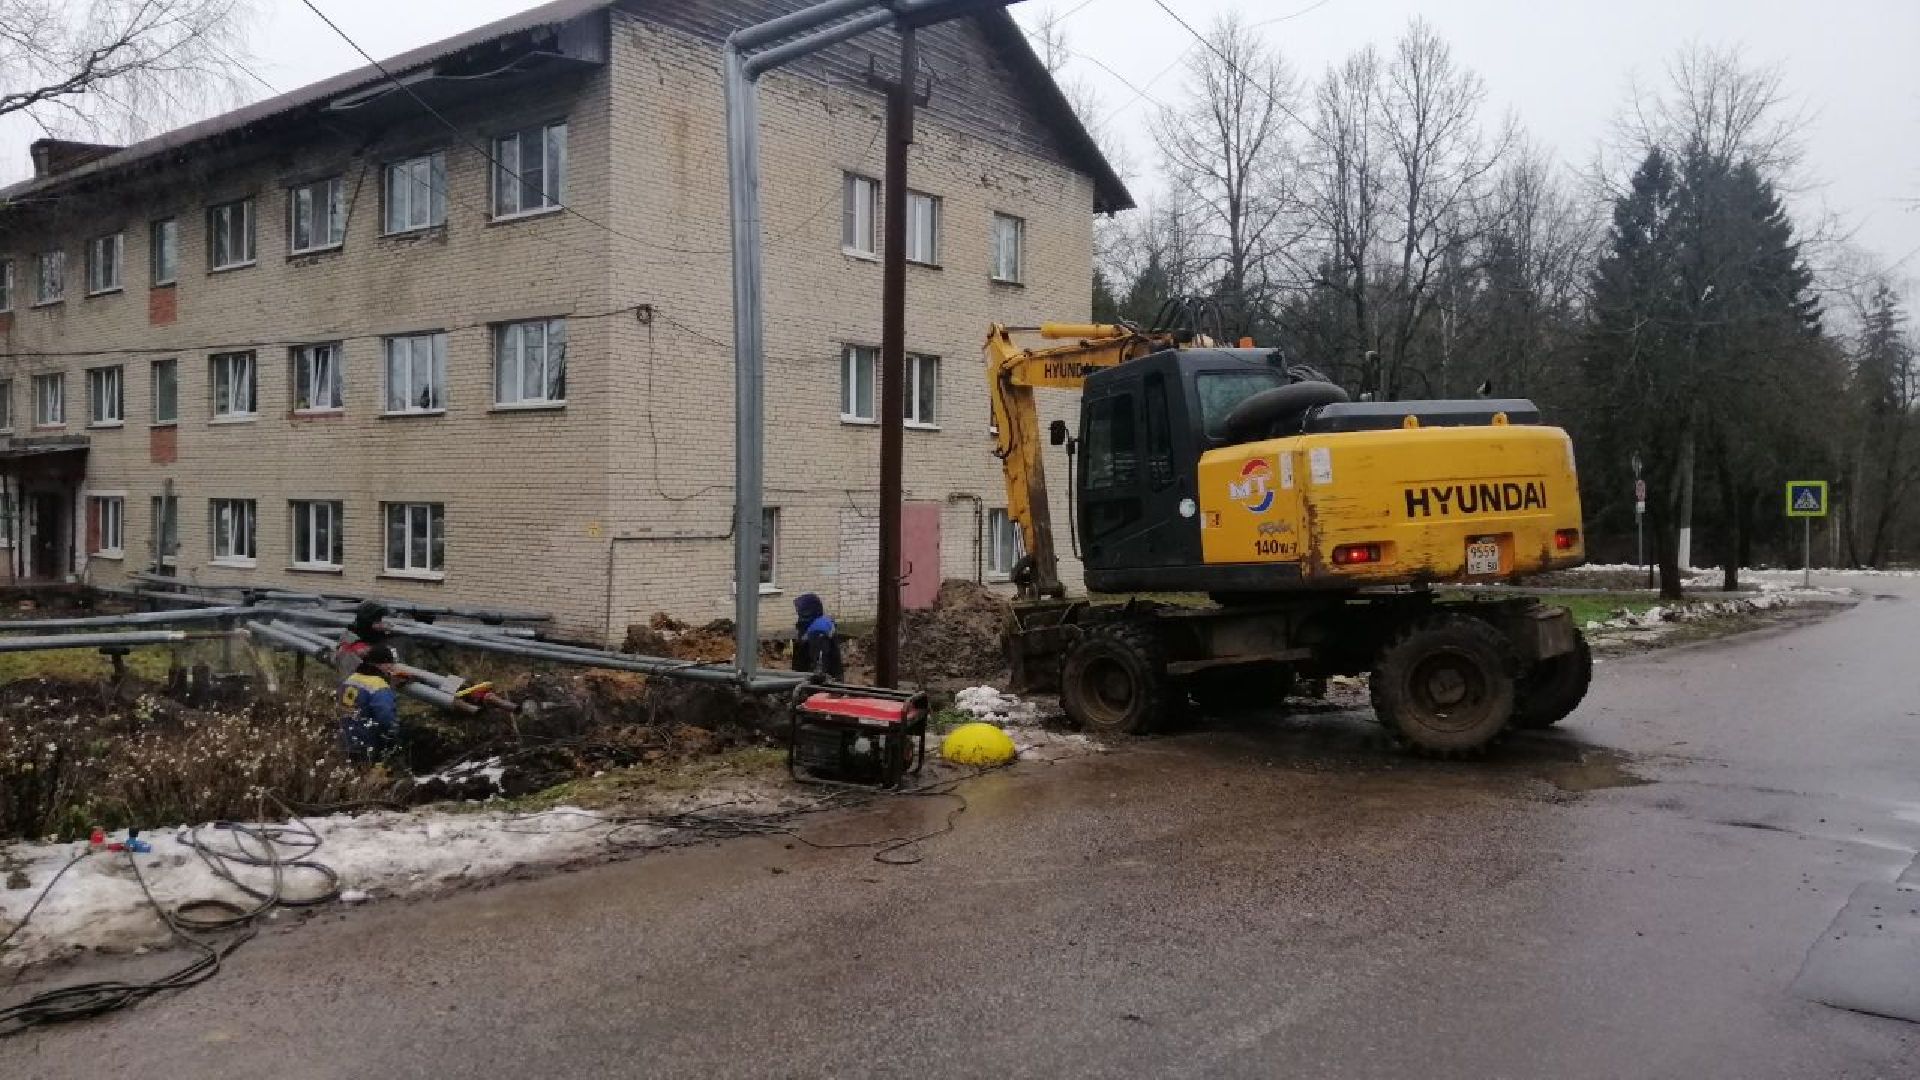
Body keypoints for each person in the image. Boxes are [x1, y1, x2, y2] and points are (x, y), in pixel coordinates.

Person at [339, 645, 401, 761]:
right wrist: (394, 736)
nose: (391, 667)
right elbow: (386, 718)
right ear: (381, 664)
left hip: (347, 736)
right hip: (368, 740)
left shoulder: (352, 678)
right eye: (389, 664)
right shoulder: (379, 686)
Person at [790, 592, 844, 681]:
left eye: (800, 610)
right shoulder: (810, 626)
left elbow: (820, 665)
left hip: (822, 686)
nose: (798, 614)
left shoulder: (819, 631)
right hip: (809, 680)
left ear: (808, 611)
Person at [334, 601, 394, 678]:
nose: (381, 624)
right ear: (368, 622)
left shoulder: (354, 632)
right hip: (356, 680)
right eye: (378, 621)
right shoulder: (357, 643)